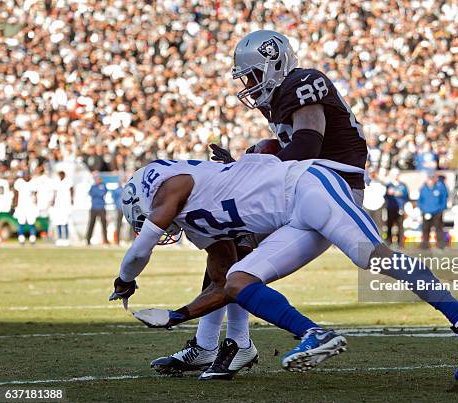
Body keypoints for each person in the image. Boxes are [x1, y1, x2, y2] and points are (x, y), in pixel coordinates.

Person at [110, 156, 458, 381]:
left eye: (145, 217)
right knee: (238, 279)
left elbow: (139, 252)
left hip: (308, 188)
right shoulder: (196, 221)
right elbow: (221, 286)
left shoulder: (171, 184)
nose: (152, 225)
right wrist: (178, 315)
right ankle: (313, 333)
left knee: (373, 256)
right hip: (294, 221)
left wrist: (125, 281)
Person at [155, 30, 370, 380]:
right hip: (305, 186)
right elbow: (284, 151)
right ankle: (213, 344)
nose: (250, 83)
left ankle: (230, 344)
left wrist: (246, 171)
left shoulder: (302, 82)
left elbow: (306, 146)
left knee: (232, 245)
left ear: (275, 62)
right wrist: (243, 163)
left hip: (331, 188)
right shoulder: (278, 99)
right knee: (227, 243)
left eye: (254, 74)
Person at [418, 172, 448, 249]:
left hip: (437, 212)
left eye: (432, 178)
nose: (430, 180)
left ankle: (441, 246)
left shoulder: (439, 187)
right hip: (426, 213)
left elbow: (444, 199)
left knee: (439, 230)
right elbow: (420, 200)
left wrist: (441, 209)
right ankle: (425, 246)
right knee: (425, 230)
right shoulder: (423, 188)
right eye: (429, 178)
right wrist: (423, 210)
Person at [13, 172, 38, 245]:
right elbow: (16, 194)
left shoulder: (33, 183)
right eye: (25, 175)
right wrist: (15, 205)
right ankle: (21, 239)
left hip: (31, 207)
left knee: (31, 223)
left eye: (28, 175)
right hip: (21, 206)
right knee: (21, 223)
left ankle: (32, 239)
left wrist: (36, 204)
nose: (26, 177)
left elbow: (36, 194)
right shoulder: (19, 182)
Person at [384, 171, 408, 246]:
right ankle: (389, 241)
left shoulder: (403, 185)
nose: (395, 176)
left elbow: (406, 196)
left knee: (400, 226)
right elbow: (385, 196)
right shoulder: (388, 185)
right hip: (390, 208)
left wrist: (399, 194)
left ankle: (401, 243)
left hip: (400, 209)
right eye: (394, 175)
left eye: (396, 175)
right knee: (389, 225)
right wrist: (388, 193)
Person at [51, 171, 74, 246]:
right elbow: (55, 192)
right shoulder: (56, 182)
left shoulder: (68, 181)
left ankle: (66, 238)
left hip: (65, 204)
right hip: (58, 204)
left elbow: (71, 190)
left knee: (65, 222)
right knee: (58, 221)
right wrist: (53, 201)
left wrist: (71, 200)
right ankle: (60, 238)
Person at [86, 174, 108, 245]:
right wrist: (98, 192)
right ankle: (88, 240)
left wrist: (96, 192)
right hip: (94, 208)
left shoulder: (103, 186)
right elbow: (90, 193)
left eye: (99, 179)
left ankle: (105, 240)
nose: (98, 180)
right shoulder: (93, 186)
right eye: (97, 179)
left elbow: (102, 193)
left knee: (104, 225)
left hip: (101, 207)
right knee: (91, 224)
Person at [362, 171, 386, 236]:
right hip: (367, 206)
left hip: (378, 206)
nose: (373, 175)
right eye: (372, 173)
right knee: (367, 225)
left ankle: (379, 242)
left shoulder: (380, 183)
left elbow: (384, 191)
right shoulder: (366, 182)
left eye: (374, 173)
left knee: (378, 225)